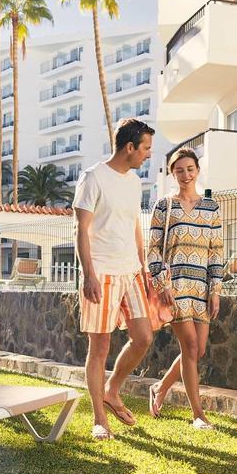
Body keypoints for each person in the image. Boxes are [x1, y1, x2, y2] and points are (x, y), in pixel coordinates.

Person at [73, 118, 155, 440]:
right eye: (145, 148)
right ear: (130, 147)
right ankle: (99, 418)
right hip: (102, 272)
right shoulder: (93, 177)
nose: (148, 154)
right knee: (100, 347)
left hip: (130, 271)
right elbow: (81, 229)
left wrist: (143, 268)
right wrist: (88, 275)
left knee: (143, 337)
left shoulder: (134, 182)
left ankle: (112, 389)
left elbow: (135, 226)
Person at [147, 148, 223, 429]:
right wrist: (162, 284)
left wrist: (215, 291)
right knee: (189, 346)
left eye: (190, 169)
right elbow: (153, 250)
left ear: (197, 170)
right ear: (172, 173)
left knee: (198, 351)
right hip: (175, 287)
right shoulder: (164, 206)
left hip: (201, 288)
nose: (186, 174)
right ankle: (198, 415)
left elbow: (216, 252)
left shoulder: (211, 207)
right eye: (179, 170)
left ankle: (160, 388)